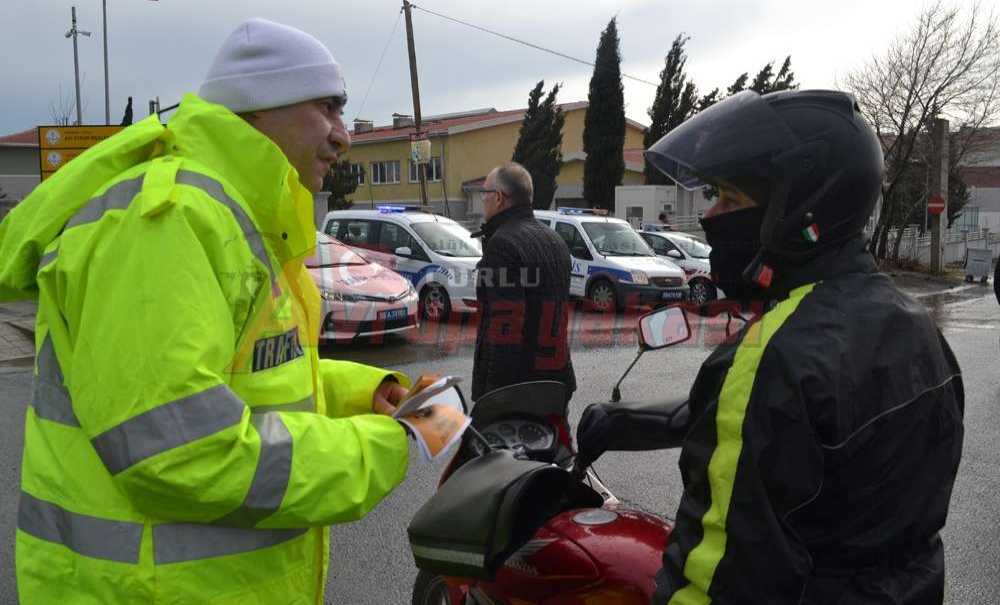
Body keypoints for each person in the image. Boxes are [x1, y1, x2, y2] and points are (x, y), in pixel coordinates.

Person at [1, 18, 424, 603]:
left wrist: (367, 393)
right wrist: (378, 446)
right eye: (327, 108)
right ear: (260, 106)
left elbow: (257, 378)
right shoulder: (164, 222)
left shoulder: (234, 216)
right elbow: (182, 451)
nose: (343, 136)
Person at [578, 90, 964, 603]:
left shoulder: (772, 356)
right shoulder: (918, 328)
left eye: (730, 200)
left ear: (799, 210)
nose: (712, 215)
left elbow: (718, 580)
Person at [472, 162, 576, 406]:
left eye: (484, 194)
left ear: (499, 198)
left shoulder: (502, 246)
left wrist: (491, 400)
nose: (483, 200)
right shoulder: (555, 240)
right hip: (557, 382)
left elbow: (503, 333)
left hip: (518, 392)